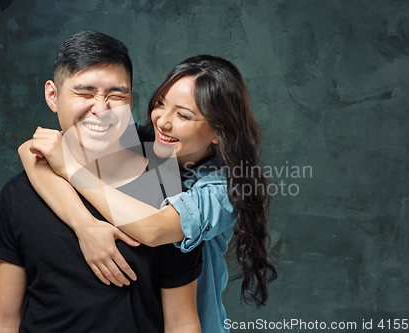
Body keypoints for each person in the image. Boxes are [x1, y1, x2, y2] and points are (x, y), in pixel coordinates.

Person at [20, 55, 278, 333]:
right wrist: (85, 225)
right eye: (161, 104)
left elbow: (153, 228)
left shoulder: (222, 191)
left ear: (219, 131)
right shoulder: (144, 143)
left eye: (183, 115)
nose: (162, 122)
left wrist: (71, 169)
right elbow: (33, 150)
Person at [0, 31, 203, 333]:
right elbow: (2, 319)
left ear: (130, 99)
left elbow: (182, 321)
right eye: (84, 94)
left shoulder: (165, 186)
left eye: (116, 95)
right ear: (52, 96)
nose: (101, 108)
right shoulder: (17, 195)